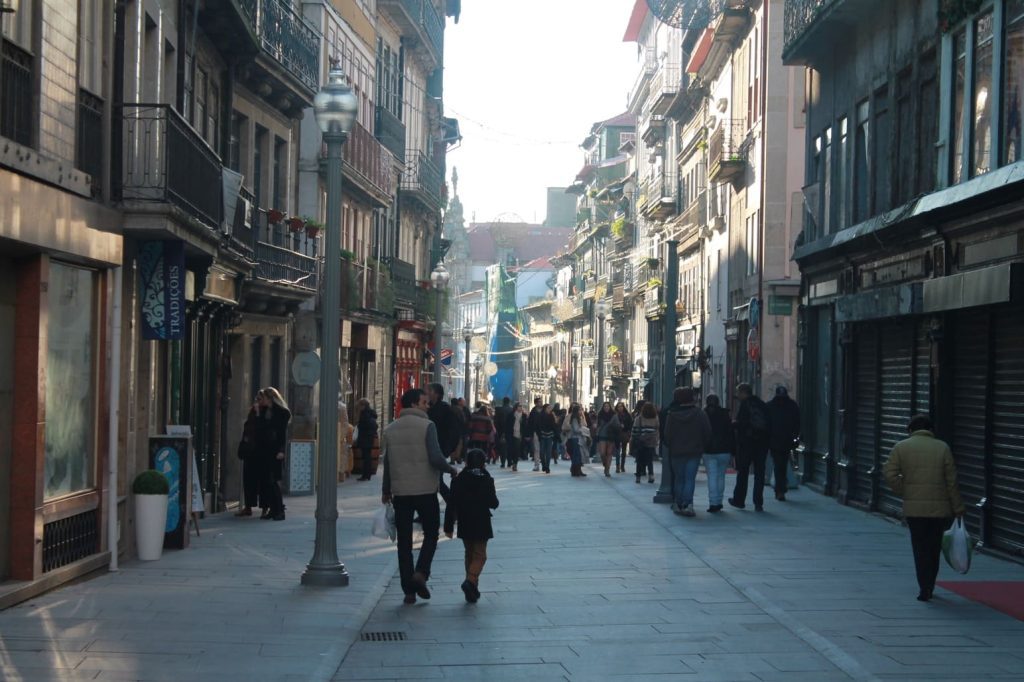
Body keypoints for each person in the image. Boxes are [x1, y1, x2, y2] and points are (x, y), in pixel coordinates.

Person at [381, 388, 459, 605]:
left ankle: (408, 590)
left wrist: (386, 490)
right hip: (425, 490)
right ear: (414, 404)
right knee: (432, 534)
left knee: (404, 542)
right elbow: (435, 457)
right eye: (424, 402)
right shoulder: (427, 426)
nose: (428, 406)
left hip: (401, 493)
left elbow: (387, 463)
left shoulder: (390, 429)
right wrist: (450, 469)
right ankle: (421, 573)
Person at [883, 415, 965, 602]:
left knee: (919, 548)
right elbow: (952, 481)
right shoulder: (942, 448)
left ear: (911, 430)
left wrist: (904, 490)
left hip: (915, 509)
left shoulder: (901, 447)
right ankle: (930, 583)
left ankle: (923, 588)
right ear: (930, 430)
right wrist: (958, 507)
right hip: (939, 509)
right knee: (933, 548)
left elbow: (889, 472)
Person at [444, 448, 500, 603]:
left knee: (469, 554)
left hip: (465, 522)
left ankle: (472, 590)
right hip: (481, 522)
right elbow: (493, 503)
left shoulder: (459, 480)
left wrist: (448, 526)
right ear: (483, 463)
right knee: (480, 555)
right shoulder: (486, 479)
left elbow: (452, 503)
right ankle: (470, 581)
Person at [662, 387, 711, 517]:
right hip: (694, 451)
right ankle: (688, 504)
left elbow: (666, 435)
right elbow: (707, 432)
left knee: (679, 479)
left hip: (677, 451)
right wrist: (701, 445)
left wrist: (671, 445)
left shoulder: (671, 415)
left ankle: (678, 504)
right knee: (690, 479)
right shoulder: (699, 413)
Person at [728, 383, 772, 512]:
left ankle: (739, 500)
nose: (737, 395)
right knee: (759, 473)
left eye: (738, 393)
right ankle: (758, 503)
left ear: (743, 392)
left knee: (743, 472)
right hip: (762, 444)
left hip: (747, 444)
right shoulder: (762, 404)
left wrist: (735, 425)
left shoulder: (745, 405)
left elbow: (742, 424)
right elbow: (769, 424)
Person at [256, 387, 290, 521]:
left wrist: (282, 450)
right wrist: (258, 413)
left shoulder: (282, 413)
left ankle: (280, 510)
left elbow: (282, 433)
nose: (261, 400)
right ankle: (273, 509)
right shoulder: (265, 411)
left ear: (270, 398)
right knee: (267, 481)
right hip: (265, 449)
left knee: (273, 480)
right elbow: (260, 428)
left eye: (263, 398)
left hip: (275, 449)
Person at [766, 386, 801, 501]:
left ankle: (780, 488)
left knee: (779, 465)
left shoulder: (770, 406)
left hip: (777, 440)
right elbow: (797, 423)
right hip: (784, 440)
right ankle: (780, 488)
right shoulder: (792, 405)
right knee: (781, 464)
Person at [703, 395, 734, 513]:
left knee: (712, 476)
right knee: (721, 476)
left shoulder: (704, 414)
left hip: (709, 450)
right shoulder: (725, 414)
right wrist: (733, 449)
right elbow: (730, 433)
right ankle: (719, 501)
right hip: (724, 450)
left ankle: (713, 502)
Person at [235, 396, 263, 516]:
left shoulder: (264, 413)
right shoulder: (251, 414)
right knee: (248, 480)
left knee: (261, 482)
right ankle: (248, 506)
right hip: (249, 452)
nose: (257, 402)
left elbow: (262, 429)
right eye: (257, 399)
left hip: (260, 452)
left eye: (260, 399)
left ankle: (264, 507)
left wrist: (258, 414)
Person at [630, 401, 659, 484]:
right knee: (650, 460)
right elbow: (657, 429)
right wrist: (656, 439)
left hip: (641, 441)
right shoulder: (655, 418)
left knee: (639, 460)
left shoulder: (639, 418)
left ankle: (638, 477)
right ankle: (651, 476)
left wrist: (633, 439)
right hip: (651, 441)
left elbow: (634, 430)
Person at [354, 398, 379, 481]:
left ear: (363, 406)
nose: (359, 408)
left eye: (360, 406)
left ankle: (365, 475)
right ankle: (367, 475)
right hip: (369, 437)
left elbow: (364, 426)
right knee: (367, 457)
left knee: (366, 457)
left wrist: (360, 426)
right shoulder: (371, 413)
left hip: (365, 437)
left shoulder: (365, 414)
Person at [595, 401, 621, 477]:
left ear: (610, 407)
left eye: (608, 406)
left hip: (611, 436)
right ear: (603, 408)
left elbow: (618, 425)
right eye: (605, 406)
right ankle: (605, 464)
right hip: (602, 435)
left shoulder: (614, 415)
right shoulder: (600, 415)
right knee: (602, 453)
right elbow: (598, 425)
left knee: (609, 453)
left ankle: (607, 470)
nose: (606, 408)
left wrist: (616, 426)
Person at [562, 403, 588, 477]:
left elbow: (585, 425)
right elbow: (575, 429)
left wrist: (583, 417)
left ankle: (578, 470)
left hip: (579, 438)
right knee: (576, 455)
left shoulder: (580, 417)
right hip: (574, 438)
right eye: (580, 410)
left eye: (581, 410)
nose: (581, 411)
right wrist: (582, 430)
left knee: (579, 455)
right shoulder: (573, 417)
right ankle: (575, 470)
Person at [536, 403, 557, 473]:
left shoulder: (551, 416)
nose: (550, 409)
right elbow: (538, 426)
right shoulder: (540, 416)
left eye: (550, 408)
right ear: (545, 409)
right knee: (542, 452)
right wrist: (539, 434)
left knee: (548, 452)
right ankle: (544, 464)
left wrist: (557, 436)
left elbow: (554, 426)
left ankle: (547, 467)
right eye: (548, 408)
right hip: (542, 435)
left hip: (550, 436)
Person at [614, 402, 633, 473]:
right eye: (619, 407)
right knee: (617, 451)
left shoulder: (627, 415)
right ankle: (617, 466)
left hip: (624, 434)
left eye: (621, 406)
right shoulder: (615, 415)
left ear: (623, 407)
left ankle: (622, 466)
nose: (620, 408)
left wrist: (626, 428)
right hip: (617, 434)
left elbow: (630, 424)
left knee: (624, 451)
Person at [494, 397, 512, 468]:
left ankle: (503, 462)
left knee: (502, 447)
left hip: (501, 431)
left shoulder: (498, 410)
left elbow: (496, 421)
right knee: (509, 447)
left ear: (503, 402)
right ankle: (509, 461)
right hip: (510, 431)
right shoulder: (511, 410)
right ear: (509, 402)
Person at [527, 397, 544, 471]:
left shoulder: (544, 410)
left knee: (543, 449)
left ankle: (544, 464)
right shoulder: (533, 412)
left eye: (541, 401)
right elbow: (530, 423)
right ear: (536, 403)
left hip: (544, 432)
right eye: (539, 402)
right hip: (536, 433)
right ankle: (537, 465)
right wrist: (529, 434)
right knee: (537, 449)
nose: (541, 403)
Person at [507, 402, 525, 472]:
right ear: (516, 407)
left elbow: (525, 426)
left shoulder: (524, 416)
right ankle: (511, 460)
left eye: (521, 406)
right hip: (511, 434)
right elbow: (507, 425)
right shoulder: (511, 415)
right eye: (519, 406)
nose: (520, 408)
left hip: (519, 435)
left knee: (517, 450)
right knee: (511, 449)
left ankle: (515, 464)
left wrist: (522, 422)